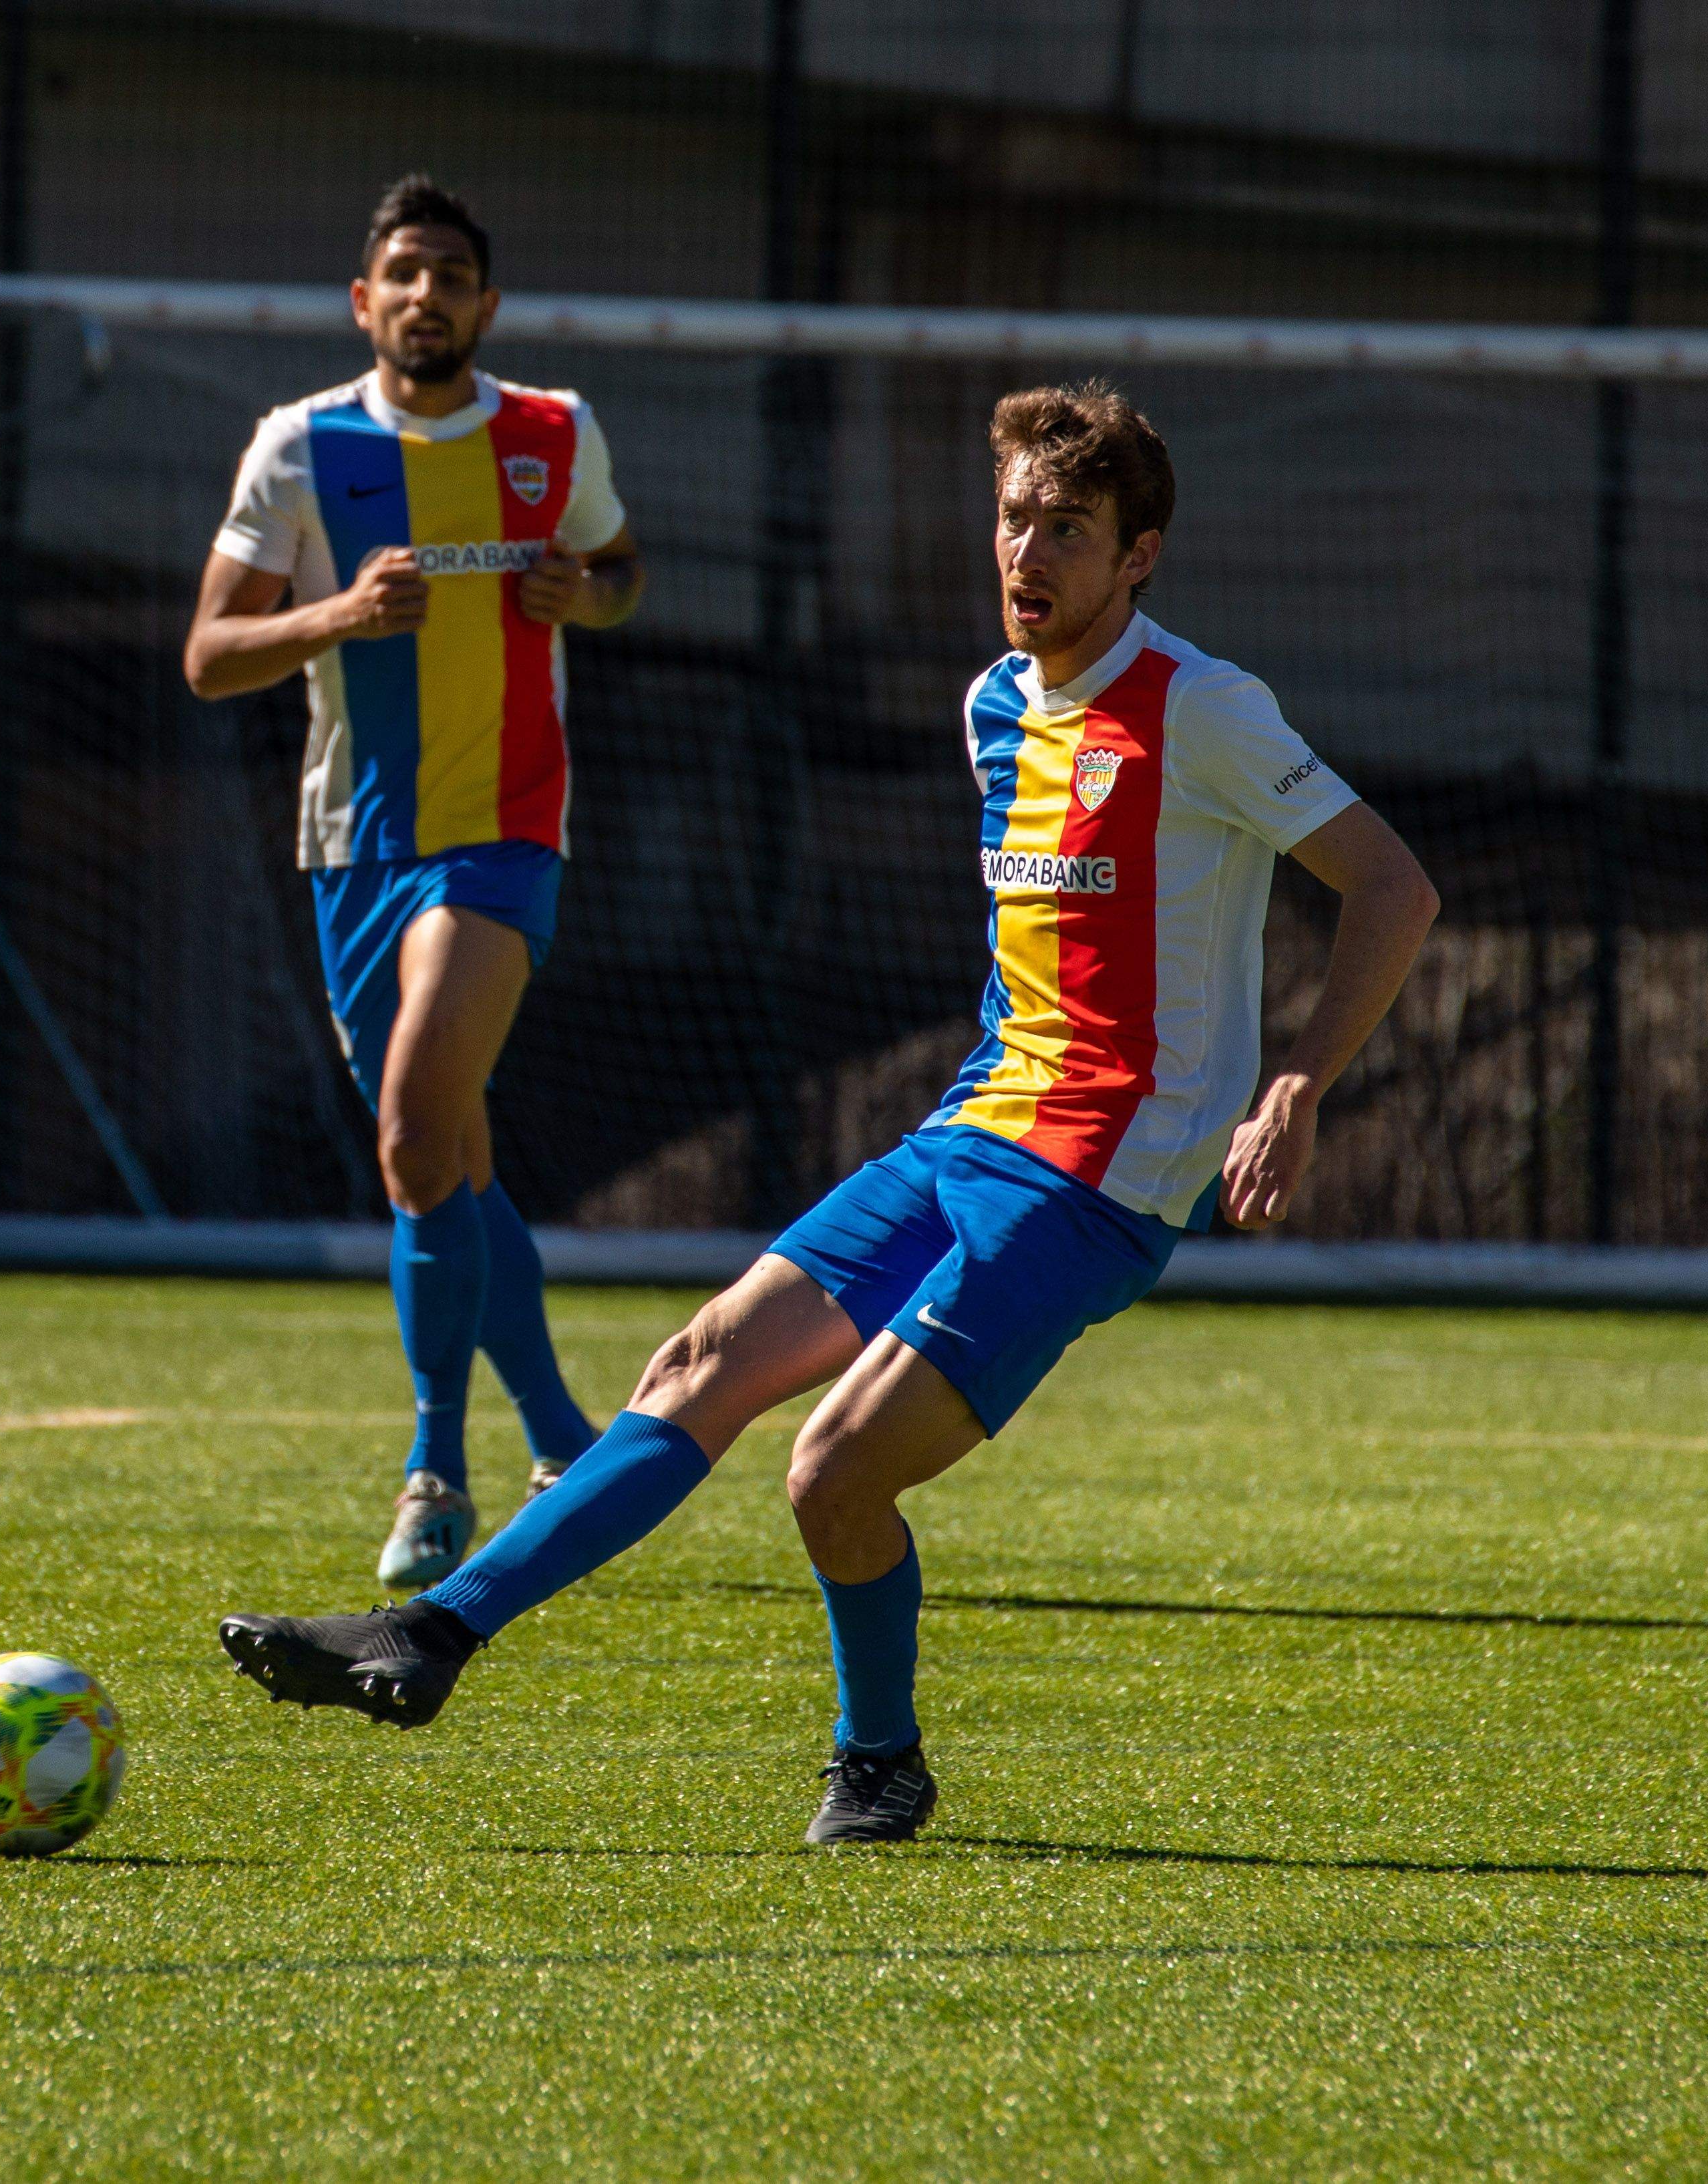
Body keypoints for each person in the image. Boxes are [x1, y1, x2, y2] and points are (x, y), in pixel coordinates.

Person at [218, 381, 1441, 1846]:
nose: (1027, 552)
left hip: (1099, 1180)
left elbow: (1392, 887)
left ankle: (879, 1761)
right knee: (701, 1358)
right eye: (1011, 521)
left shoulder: (1204, 707)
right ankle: (428, 1639)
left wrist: (1291, 1085)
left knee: (828, 1471)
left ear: (1139, 557)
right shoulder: (993, 706)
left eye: (1068, 527)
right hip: (964, 1135)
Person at [185, 176, 645, 1591]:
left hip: (505, 835)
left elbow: (618, 568)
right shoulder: (299, 446)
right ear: (362, 300)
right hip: (354, 848)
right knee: (450, 1159)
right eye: (403, 270)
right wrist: (336, 611)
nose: (426, 293)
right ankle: (568, 1435)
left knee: (406, 1131)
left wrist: (591, 595)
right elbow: (209, 656)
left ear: (485, 304)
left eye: (451, 271)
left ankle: (433, 1470)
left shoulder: (551, 432)